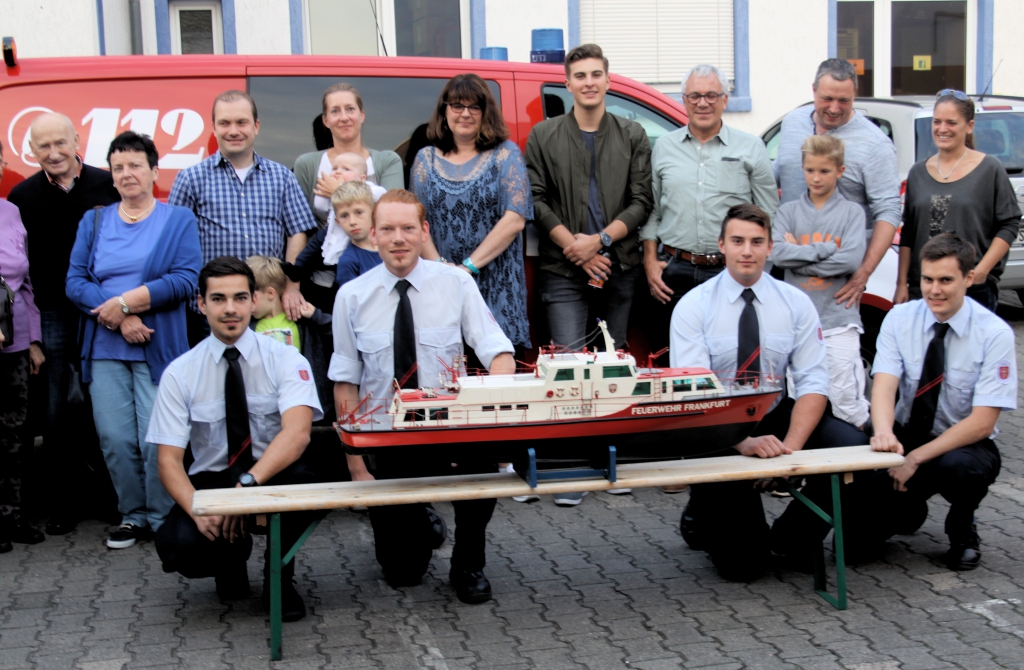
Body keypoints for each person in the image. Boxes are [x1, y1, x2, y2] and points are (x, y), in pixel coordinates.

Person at [330, 189, 515, 603]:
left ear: (424, 231)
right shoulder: (352, 297)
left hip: (450, 428)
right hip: (389, 438)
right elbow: (345, 382)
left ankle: (469, 563)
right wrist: (356, 464)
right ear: (373, 235)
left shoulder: (456, 283)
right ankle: (421, 517)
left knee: (482, 469)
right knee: (403, 573)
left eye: (408, 228)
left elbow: (498, 352)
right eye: (389, 229)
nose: (399, 238)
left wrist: (497, 420)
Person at [671, 203, 865, 582]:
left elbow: (812, 382)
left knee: (853, 450)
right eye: (738, 241)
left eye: (757, 242)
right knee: (743, 569)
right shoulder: (693, 306)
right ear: (721, 245)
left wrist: (788, 454)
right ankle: (702, 510)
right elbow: (694, 391)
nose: (747, 251)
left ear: (770, 247)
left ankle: (790, 539)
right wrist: (744, 443)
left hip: (775, 414)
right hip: (717, 427)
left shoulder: (795, 303)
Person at [150, 257, 324, 622]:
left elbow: (297, 434)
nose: (230, 309)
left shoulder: (285, 358)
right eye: (218, 299)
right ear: (201, 303)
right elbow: (168, 461)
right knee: (180, 547)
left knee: (312, 484)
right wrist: (199, 510)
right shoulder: (180, 373)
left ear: (254, 300)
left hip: (271, 473)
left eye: (240, 297)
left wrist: (247, 490)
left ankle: (279, 577)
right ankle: (230, 556)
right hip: (214, 479)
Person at [525, 44, 652, 506]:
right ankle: (572, 469)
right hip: (562, 268)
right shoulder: (544, 135)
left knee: (612, 370)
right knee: (568, 370)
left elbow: (642, 201)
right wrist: (575, 248)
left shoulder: (633, 133)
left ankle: (610, 464)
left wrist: (597, 242)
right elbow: (535, 199)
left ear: (608, 79)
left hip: (618, 267)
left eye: (596, 73)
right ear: (567, 82)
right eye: (579, 75)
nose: (589, 82)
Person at [65, 132, 203, 549]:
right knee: (115, 438)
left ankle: (162, 516)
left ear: (154, 172)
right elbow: (74, 282)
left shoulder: (177, 219)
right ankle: (132, 515)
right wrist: (119, 317)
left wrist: (126, 303)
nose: (127, 174)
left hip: (157, 347)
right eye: (119, 167)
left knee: (155, 438)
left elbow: (185, 279)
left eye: (135, 165)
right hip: (105, 346)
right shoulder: (93, 221)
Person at [870, 233, 1016, 570]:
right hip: (907, 433)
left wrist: (915, 459)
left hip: (961, 442)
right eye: (927, 279)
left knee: (963, 469)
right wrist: (883, 435)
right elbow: (884, 386)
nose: (934, 290)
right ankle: (908, 509)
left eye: (946, 280)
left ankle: (962, 529)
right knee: (860, 541)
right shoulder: (899, 319)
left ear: (968, 278)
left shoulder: (994, 334)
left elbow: (983, 423)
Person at [6, 112, 121, 536]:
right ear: (32, 151)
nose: (53, 153)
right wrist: (32, 335)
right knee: (55, 413)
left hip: (103, 310)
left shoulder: (108, 185)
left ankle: (112, 498)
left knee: (104, 406)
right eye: (43, 146)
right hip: (52, 312)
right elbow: (21, 272)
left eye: (60, 143)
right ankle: (64, 503)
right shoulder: (23, 196)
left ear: (77, 140)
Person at [639, 63, 778, 354]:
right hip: (673, 273)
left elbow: (768, 215)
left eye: (712, 95)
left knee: (729, 358)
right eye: (695, 96)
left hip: (729, 272)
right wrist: (650, 262)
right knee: (673, 361)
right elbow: (652, 210)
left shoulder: (751, 148)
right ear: (684, 100)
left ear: (725, 100)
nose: (703, 103)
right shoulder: (663, 148)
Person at [168, 90, 318, 344]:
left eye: (242, 122)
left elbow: (297, 232)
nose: (233, 130)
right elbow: (174, 243)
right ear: (213, 127)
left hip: (267, 309)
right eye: (225, 123)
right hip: (212, 313)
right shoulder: (190, 179)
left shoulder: (281, 177)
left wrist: (291, 287)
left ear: (256, 126)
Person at [410, 73, 533, 352]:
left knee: (499, 378)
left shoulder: (506, 154)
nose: (465, 113)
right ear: (444, 111)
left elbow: (515, 219)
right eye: (457, 106)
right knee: (446, 375)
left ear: (485, 113)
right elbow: (417, 222)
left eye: (474, 107)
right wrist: (443, 271)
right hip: (441, 288)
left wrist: (466, 269)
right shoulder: (424, 160)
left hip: (497, 286)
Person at [775, 58, 902, 309]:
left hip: (836, 276)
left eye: (843, 101)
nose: (834, 108)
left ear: (855, 94)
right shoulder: (792, 123)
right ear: (813, 90)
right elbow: (779, 172)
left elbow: (888, 212)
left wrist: (863, 274)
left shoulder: (875, 145)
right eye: (827, 99)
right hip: (787, 271)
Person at [771, 135, 870, 429]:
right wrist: (826, 249)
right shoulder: (788, 212)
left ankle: (861, 462)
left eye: (824, 171)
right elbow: (778, 255)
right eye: (810, 170)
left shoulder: (852, 213)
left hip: (838, 319)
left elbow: (850, 261)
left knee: (846, 399)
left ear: (840, 171)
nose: (816, 177)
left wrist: (798, 256)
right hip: (798, 324)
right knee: (802, 398)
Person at [896, 90, 1021, 313]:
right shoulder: (917, 173)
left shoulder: (989, 169)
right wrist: (901, 283)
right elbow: (909, 233)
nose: (942, 129)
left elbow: (1009, 224)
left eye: (951, 122)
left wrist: (981, 272)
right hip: (924, 289)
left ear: (969, 126)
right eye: (937, 122)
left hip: (972, 290)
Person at [0, 139, 46, 551]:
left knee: (13, 436)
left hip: (11, 343)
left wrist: (32, 339)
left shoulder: (11, 211)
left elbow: (25, 284)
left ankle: (10, 517)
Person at [294, 82, 404, 228]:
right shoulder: (306, 165)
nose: (344, 117)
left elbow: (395, 214)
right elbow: (301, 226)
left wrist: (339, 189)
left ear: (362, 115)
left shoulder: (388, 161)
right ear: (325, 121)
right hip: (324, 248)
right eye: (335, 111)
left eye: (350, 109)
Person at [246, 255, 334, 423]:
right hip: (265, 409)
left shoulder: (301, 319)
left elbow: (339, 333)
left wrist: (316, 316)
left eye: (249, 296)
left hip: (303, 403)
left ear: (270, 293)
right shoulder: (248, 326)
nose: (245, 303)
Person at [332, 182, 382, 286]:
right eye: (344, 216)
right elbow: (350, 300)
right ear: (338, 222)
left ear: (373, 212)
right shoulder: (348, 262)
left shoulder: (390, 244)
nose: (352, 222)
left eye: (359, 212)